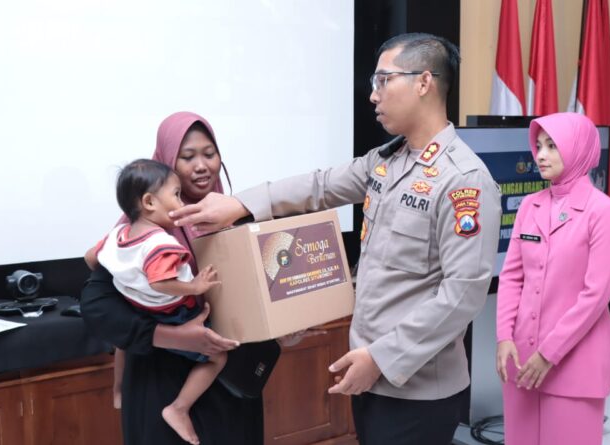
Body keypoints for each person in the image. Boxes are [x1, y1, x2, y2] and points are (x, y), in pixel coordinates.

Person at [169, 33, 501, 444]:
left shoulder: (464, 180)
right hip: (367, 370)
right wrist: (239, 204)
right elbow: (321, 186)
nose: (374, 95)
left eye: (384, 80)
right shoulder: (388, 160)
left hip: (415, 387)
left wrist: (380, 358)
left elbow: (462, 295)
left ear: (423, 82)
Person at [81, 112, 262, 445]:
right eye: (187, 156)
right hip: (161, 385)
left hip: (231, 387)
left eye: (210, 154)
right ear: (167, 163)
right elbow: (97, 308)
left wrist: (286, 325)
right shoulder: (138, 235)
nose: (202, 166)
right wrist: (174, 336)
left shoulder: (236, 217)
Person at [495, 112, 610, 445]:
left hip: (575, 364)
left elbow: (596, 295)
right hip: (523, 359)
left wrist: (548, 354)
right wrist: (504, 336)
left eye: (552, 146)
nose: (540, 155)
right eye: (538, 146)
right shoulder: (529, 206)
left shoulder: (604, 212)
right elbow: (511, 277)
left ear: (577, 148)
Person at [85, 159, 226, 445]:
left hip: (141, 313)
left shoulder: (118, 235)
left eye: (209, 153)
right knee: (218, 357)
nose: (181, 202)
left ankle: (118, 390)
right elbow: (159, 281)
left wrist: (125, 279)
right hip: (173, 319)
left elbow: (90, 258)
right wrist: (194, 286)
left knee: (123, 345)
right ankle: (179, 408)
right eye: (176, 195)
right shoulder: (162, 244)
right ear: (149, 202)